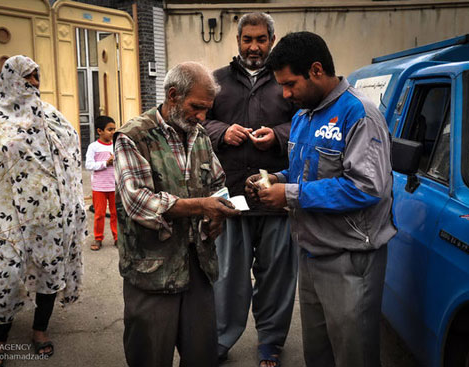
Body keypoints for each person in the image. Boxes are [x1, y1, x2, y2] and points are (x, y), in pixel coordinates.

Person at [248, 32, 397, 367]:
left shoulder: (359, 113)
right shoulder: (303, 115)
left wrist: (288, 194)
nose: (285, 95)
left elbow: (366, 187)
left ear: (316, 70)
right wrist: (274, 180)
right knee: (318, 354)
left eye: (290, 84)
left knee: (352, 354)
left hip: (350, 258)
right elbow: (305, 174)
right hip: (311, 252)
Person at [113, 61, 241, 367]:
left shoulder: (199, 136)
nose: (202, 117)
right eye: (196, 107)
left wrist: (217, 216)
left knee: (201, 355)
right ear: (172, 95)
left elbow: (217, 183)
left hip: (198, 268)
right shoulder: (133, 136)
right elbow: (138, 202)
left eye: (207, 110)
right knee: (150, 357)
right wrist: (200, 206)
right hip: (152, 271)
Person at [202, 12, 298, 367]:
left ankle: (270, 343)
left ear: (272, 40)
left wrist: (278, 135)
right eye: (247, 39)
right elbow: (200, 119)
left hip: (276, 196)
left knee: (276, 276)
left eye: (261, 39)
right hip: (230, 196)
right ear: (238, 41)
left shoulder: (285, 78)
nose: (254, 46)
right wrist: (222, 131)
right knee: (228, 277)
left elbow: (303, 122)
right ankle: (222, 340)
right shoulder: (217, 81)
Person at [0, 55, 86, 366]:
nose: (35, 84)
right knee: (7, 272)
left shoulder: (49, 113)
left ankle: (40, 330)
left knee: (49, 270)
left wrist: (72, 200)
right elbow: (8, 149)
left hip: (51, 211)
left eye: (37, 77)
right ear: (12, 79)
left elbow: (69, 147)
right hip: (10, 211)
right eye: (28, 78)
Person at [85, 115, 118, 251]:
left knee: (116, 213)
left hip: (114, 185)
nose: (112, 132)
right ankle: (98, 238)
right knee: (99, 214)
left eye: (114, 129)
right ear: (100, 131)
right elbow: (89, 165)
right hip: (99, 186)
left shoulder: (116, 146)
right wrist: (106, 163)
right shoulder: (94, 147)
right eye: (110, 129)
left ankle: (117, 238)